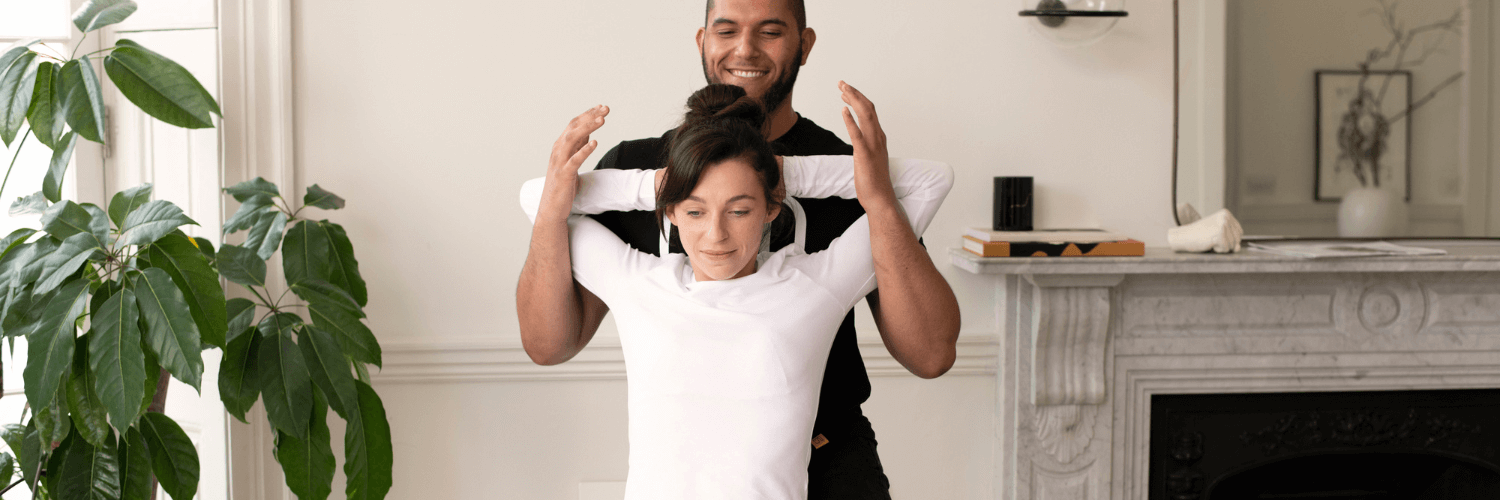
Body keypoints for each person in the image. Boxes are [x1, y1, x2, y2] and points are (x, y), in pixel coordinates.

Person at [515, 1, 962, 496]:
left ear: (805, 44)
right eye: (726, 30)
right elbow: (549, 344)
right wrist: (674, 183)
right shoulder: (634, 168)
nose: (744, 49)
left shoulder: (851, 171)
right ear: (702, 40)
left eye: (770, 32)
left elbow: (930, 355)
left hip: (834, 465)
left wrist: (773, 176)